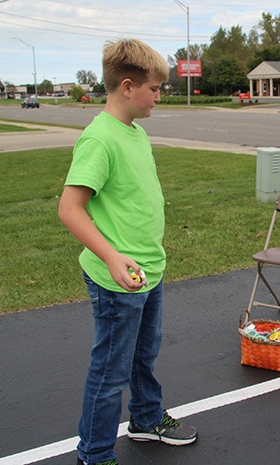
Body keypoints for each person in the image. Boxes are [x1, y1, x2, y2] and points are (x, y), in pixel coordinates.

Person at [59, 38, 197, 465]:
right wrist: (112, 256)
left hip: (147, 272)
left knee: (143, 356)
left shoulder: (134, 133)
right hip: (117, 279)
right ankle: (96, 454)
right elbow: (70, 209)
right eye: (154, 89)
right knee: (110, 371)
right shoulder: (99, 139)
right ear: (126, 86)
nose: (159, 96)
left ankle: (145, 419)